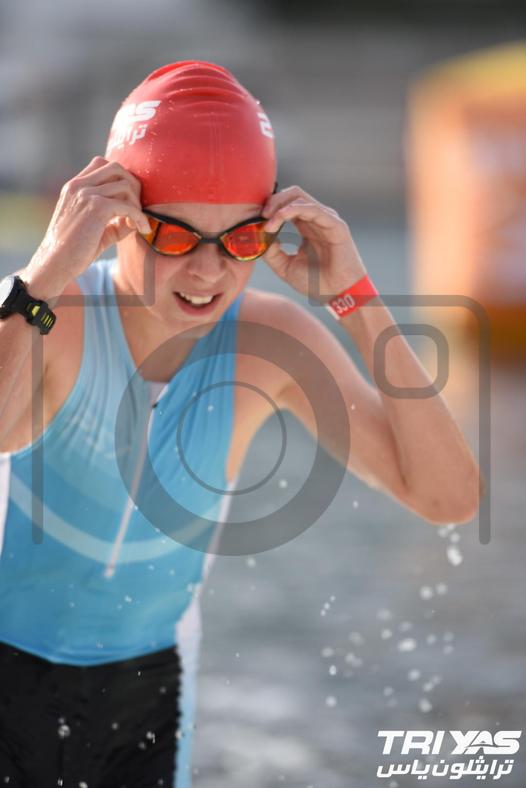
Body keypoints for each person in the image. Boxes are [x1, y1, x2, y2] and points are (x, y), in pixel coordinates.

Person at [0, 60, 482, 787]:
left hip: (147, 698)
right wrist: (41, 274)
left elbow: (448, 497)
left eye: (241, 241)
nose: (207, 273)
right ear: (119, 217)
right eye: (174, 238)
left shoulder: (269, 344)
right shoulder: (47, 315)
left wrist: (355, 298)